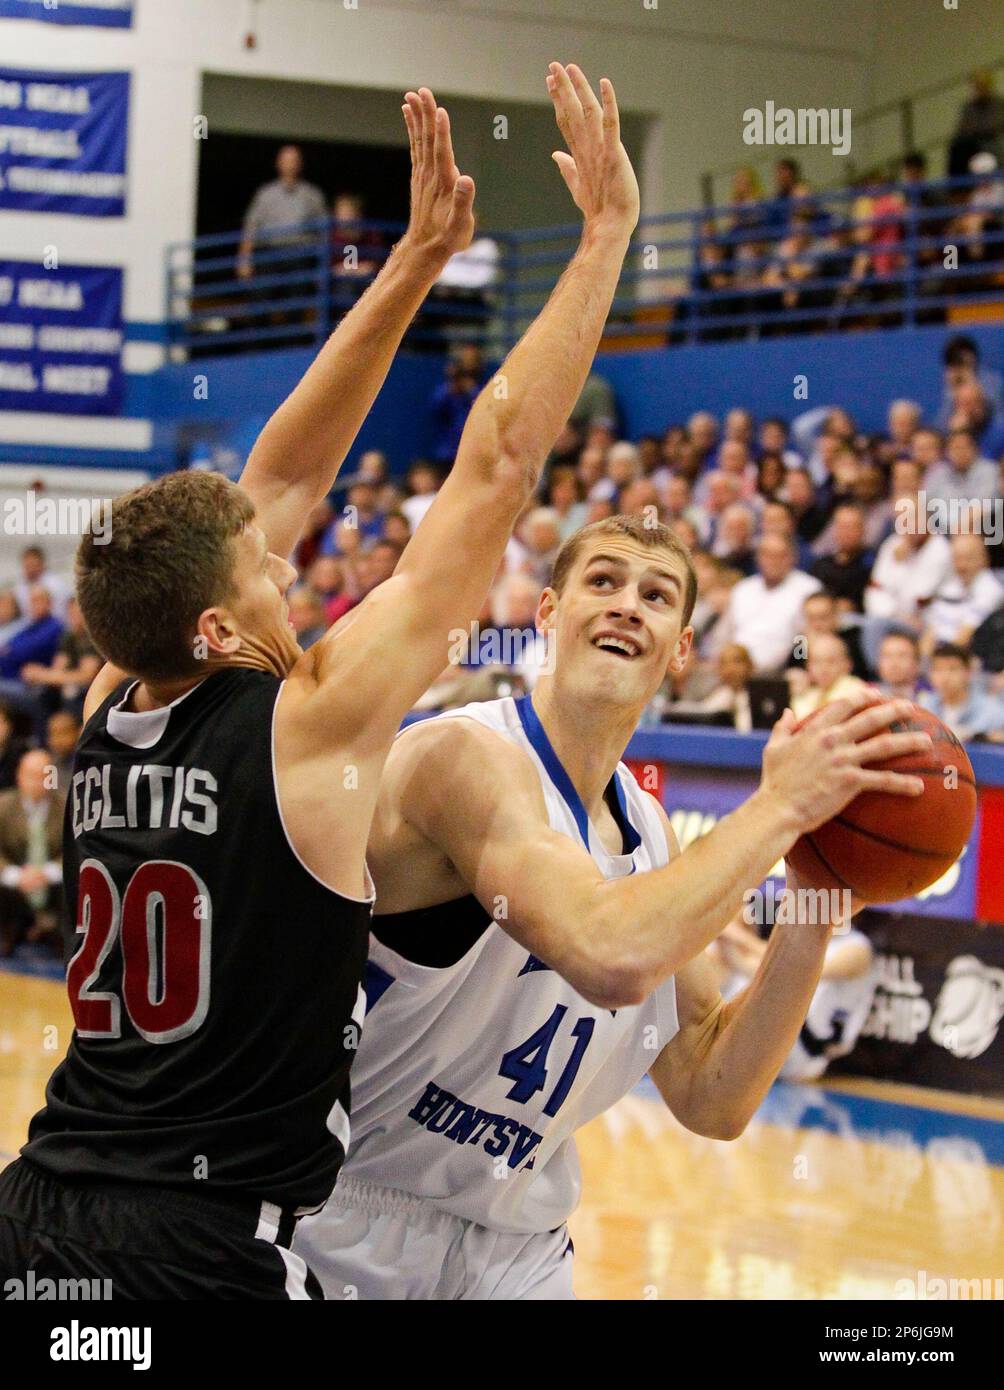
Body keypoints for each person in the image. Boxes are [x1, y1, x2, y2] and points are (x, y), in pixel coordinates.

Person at [0, 65, 640, 1298]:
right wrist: (603, 234)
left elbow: (276, 484)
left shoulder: (108, 699)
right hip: (194, 1246)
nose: (288, 576)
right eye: (265, 577)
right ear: (219, 625)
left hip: (40, 1207)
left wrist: (411, 261)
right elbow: (498, 469)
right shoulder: (310, 722)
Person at [293, 510, 930, 1299]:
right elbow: (610, 954)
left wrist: (809, 905)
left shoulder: (649, 832)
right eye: (603, 582)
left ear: (682, 649)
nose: (629, 604)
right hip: (350, 1217)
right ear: (549, 614)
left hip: (519, 1244)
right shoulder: (457, 757)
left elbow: (713, 1093)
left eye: (658, 596)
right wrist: (780, 809)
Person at [714, 916, 876, 1082]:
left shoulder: (857, 948)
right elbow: (749, 966)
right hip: (763, 1050)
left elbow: (797, 970)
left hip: (805, 1051)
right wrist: (727, 936)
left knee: (772, 983)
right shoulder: (801, 941)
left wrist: (739, 937)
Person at [715, 534, 821, 672]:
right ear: (758, 558)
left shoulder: (808, 589)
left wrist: (798, 666)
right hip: (736, 668)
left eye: (780, 555)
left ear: (793, 558)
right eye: (767, 555)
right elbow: (724, 634)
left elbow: (805, 636)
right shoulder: (743, 589)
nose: (773, 561)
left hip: (781, 671)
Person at [0, 748, 65, 958]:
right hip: (14, 882)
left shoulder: (67, 806)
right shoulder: (3, 806)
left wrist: (48, 873)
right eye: (32, 775)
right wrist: (16, 875)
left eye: (44, 775)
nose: (38, 781)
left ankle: (63, 939)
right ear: (19, 775)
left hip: (55, 882)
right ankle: (7, 936)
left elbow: (78, 850)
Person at [236, 144, 326, 284]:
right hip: (270, 254)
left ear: (300, 164)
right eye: (286, 161)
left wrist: (323, 265)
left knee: (298, 299)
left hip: (300, 255)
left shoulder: (312, 195)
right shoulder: (265, 194)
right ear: (278, 163)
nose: (290, 165)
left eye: (294, 161)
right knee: (262, 297)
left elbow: (324, 231)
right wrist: (244, 260)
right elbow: (251, 227)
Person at [920, 643, 1004, 741]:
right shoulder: (925, 706)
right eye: (938, 669)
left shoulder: (992, 711)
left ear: (968, 672)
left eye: (953, 669)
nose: (945, 677)